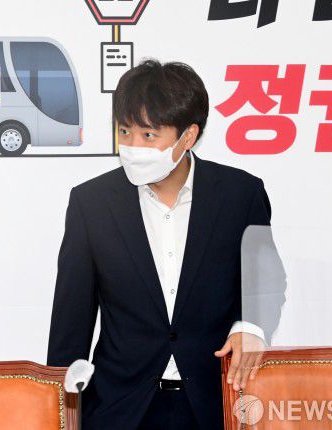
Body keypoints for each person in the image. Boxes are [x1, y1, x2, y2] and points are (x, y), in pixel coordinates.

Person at [47, 59, 286, 429]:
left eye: (148, 136)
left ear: (187, 137)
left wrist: (251, 326)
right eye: (124, 131)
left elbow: (268, 281)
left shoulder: (240, 195)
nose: (132, 146)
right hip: (119, 408)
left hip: (215, 403)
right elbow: (71, 315)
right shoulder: (91, 203)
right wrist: (60, 408)